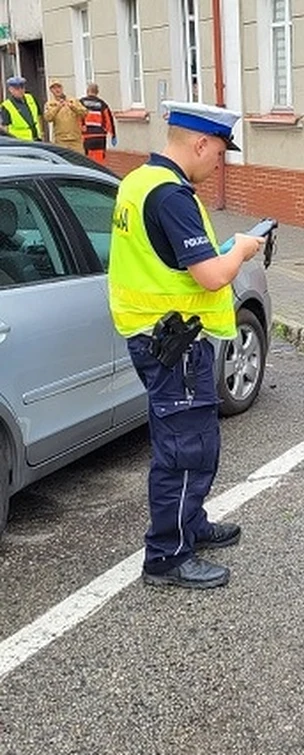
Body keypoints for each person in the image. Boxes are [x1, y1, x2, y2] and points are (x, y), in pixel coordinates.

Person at [107, 101, 265, 589]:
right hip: (172, 344)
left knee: (191, 440)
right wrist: (240, 248)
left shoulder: (139, 181)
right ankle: (167, 556)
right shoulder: (172, 196)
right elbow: (213, 275)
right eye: (218, 153)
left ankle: (189, 524)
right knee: (184, 448)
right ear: (199, 143)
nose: (218, 163)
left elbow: (171, 263)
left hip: (158, 337)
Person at [43, 79, 86, 154]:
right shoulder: (50, 104)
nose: (57, 90)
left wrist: (73, 107)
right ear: (51, 90)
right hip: (61, 141)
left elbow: (84, 113)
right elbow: (48, 118)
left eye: (58, 87)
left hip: (75, 140)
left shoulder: (73, 100)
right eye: (54, 88)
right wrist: (58, 107)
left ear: (62, 88)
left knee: (79, 162)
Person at [80, 82, 117, 163]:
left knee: (87, 161)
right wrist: (113, 135)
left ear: (87, 91)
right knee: (99, 161)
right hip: (100, 137)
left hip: (86, 136)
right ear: (97, 92)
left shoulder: (81, 103)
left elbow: (77, 118)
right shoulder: (102, 104)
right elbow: (109, 120)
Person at [0, 76, 41, 141]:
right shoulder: (6, 105)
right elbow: (5, 127)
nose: (20, 90)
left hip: (36, 138)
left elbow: (38, 116)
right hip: (20, 141)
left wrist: (41, 133)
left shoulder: (30, 98)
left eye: (22, 88)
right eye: (17, 89)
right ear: (10, 90)